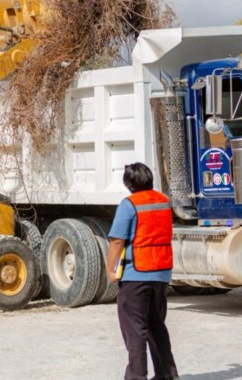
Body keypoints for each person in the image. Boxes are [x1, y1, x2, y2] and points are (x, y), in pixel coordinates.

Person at [107, 162, 178, 380]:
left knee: (135, 329)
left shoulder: (129, 205)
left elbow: (118, 241)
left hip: (135, 275)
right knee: (156, 326)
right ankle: (167, 375)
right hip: (161, 273)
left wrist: (111, 270)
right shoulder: (164, 202)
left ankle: (137, 376)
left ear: (128, 184)